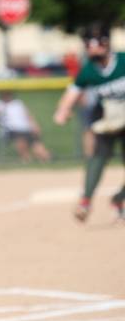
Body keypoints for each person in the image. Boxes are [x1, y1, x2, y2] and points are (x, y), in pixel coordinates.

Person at [54, 25, 125, 222]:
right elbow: (72, 93)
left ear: (106, 42)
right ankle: (85, 201)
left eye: (95, 43)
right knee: (98, 158)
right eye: (87, 44)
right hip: (107, 122)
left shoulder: (123, 61)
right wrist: (63, 111)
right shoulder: (89, 71)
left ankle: (119, 199)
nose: (91, 48)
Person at [0, 90, 51, 163]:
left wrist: (35, 126)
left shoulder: (17, 103)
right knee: (22, 146)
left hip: (26, 128)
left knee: (39, 149)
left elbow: (28, 115)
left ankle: (50, 159)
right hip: (12, 130)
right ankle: (27, 161)